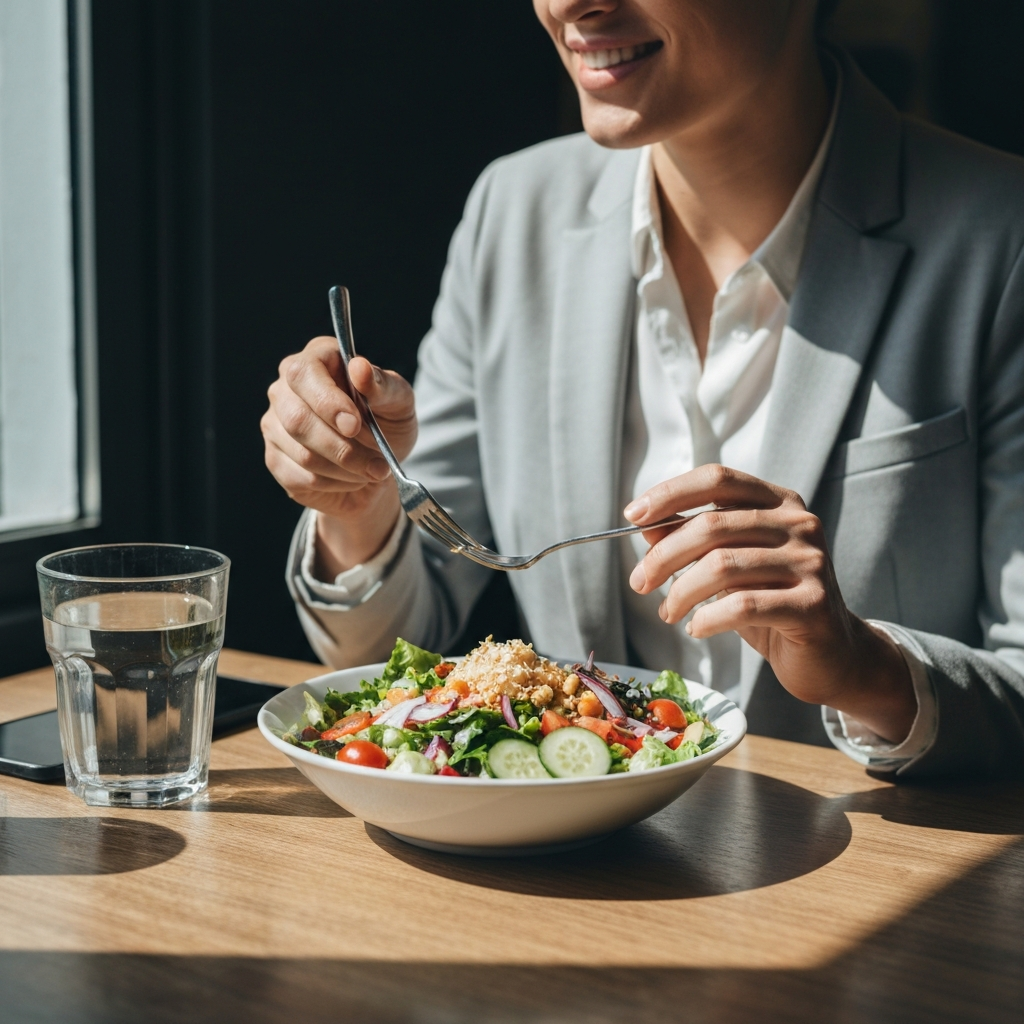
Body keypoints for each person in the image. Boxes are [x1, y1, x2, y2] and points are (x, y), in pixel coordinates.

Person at [261, 0, 1024, 777]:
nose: (567, 5)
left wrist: (866, 668)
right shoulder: (512, 212)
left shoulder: (1002, 243)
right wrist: (359, 514)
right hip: (565, 881)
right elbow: (395, 657)